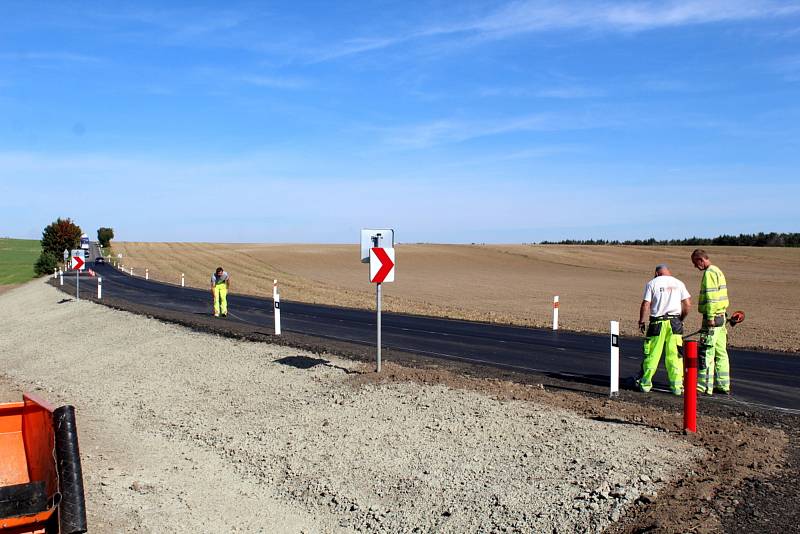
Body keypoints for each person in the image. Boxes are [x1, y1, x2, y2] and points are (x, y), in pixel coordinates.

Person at [635, 264, 691, 395]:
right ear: (668, 272)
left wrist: (641, 321)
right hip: (675, 323)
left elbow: (646, 304)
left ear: (656, 273)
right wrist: (680, 319)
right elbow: (688, 304)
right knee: (675, 356)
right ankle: (677, 387)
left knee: (652, 354)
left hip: (657, 323)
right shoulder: (679, 283)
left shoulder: (652, 283)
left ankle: (645, 384)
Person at [691, 249, 730, 395]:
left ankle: (704, 386)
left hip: (713, 318)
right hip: (722, 317)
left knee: (706, 351)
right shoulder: (718, 271)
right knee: (721, 352)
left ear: (701, 259)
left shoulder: (709, 274)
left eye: (696, 263)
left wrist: (710, 317)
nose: (696, 267)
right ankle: (723, 384)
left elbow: (711, 298)